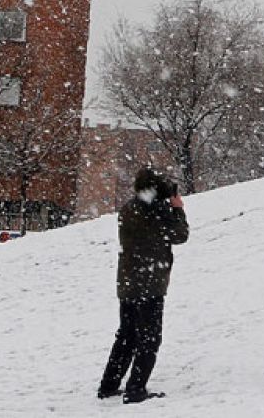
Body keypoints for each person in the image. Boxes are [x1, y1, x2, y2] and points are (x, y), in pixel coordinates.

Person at [98, 167, 189, 404]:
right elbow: (180, 235)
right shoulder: (156, 212)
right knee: (149, 338)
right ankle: (136, 389)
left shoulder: (129, 209)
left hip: (128, 282)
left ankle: (109, 384)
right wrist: (178, 209)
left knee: (127, 334)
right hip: (150, 284)